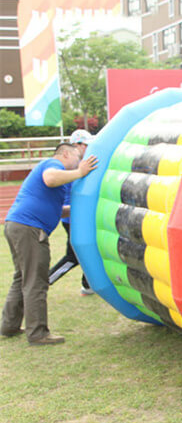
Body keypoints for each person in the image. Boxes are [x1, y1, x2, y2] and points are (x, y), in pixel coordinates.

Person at [1, 143, 98, 345]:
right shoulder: (53, 165)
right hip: (29, 229)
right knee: (35, 281)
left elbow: (56, 209)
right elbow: (50, 178)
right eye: (76, 157)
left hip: (17, 225)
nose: (78, 162)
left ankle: (9, 325)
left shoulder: (55, 172)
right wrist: (80, 172)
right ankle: (38, 333)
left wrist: (78, 208)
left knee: (22, 278)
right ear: (65, 154)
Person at [49, 130, 94, 295]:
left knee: (89, 249)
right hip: (72, 218)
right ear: (77, 145)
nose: (88, 148)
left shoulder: (79, 165)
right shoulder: (71, 167)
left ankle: (88, 285)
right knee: (73, 256)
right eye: (85, 145)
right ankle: (47, 280)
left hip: (77, 217)